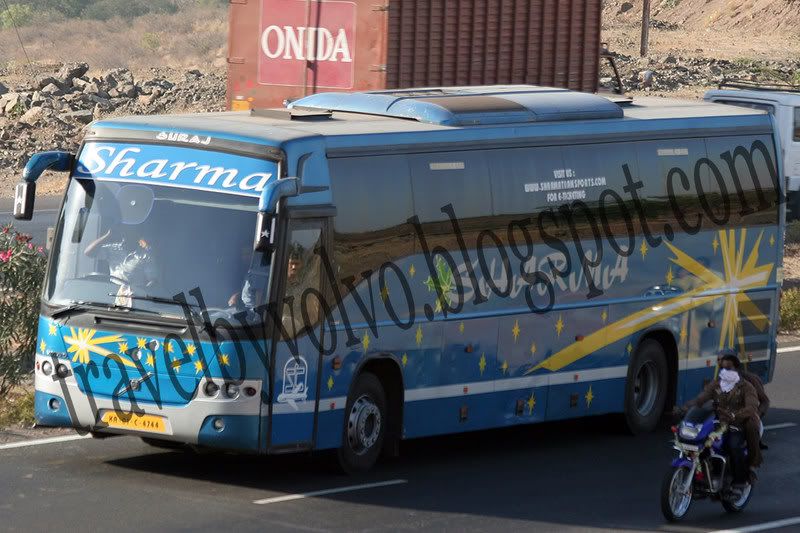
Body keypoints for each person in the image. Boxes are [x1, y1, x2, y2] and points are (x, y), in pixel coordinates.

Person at [681, 352, 762, 488]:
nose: (725, 371)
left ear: (736, 369)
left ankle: (740, 481)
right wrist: (682, 409)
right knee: (701, 441)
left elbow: (751, 407)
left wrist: (736, 415)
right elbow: (701, 399)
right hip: (719, 423)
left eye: (729, 368)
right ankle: (703, 475)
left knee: (733, 445)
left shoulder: (747, 387)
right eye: (723, 368)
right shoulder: (716, 385)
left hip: (739, 425)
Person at [84, 223, 157, 306]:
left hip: (134, 298)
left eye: (131, 232)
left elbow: (152, 280)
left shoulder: (145, 255)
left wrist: (142, 294)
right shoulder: (113, 249)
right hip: (112, 294)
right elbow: (88, 252)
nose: (127, 235)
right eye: (125, 231)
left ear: (137, 235)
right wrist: (107, 235)